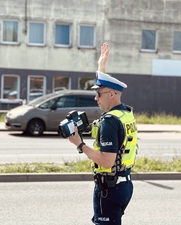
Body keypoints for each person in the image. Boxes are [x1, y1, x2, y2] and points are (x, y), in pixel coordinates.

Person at [68, 42, 138, 225]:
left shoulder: (109, 121)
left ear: (112, 95)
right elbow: (105, 84)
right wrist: (101, 65)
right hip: (124, 184)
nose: (95, 97)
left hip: (109, 188)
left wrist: (79, 144)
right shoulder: (125, 113)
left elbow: (107, 161)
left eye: (99, 94)